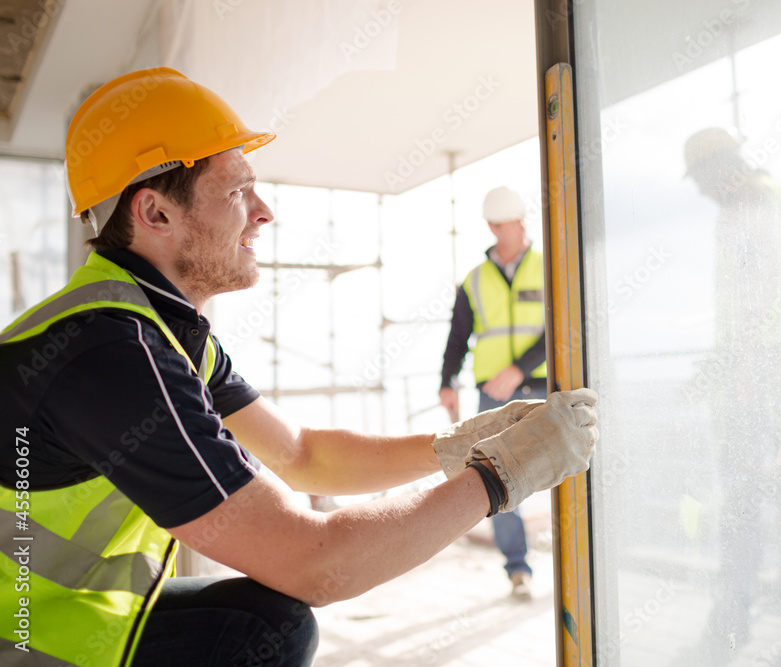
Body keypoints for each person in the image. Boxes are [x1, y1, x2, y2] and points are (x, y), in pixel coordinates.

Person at [0, 68, 599, 667]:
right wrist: (501, 476)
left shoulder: (155, 330)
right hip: (22, 640)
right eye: (237, 192)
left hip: (57, 618)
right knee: (268, 629)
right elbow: (317, 564)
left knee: (261, 621)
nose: (264, 213)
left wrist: (451, 447)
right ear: (155, 213)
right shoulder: (111, 354)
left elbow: (303, 455)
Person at [674, 128, 781, 666]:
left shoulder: (744, 209)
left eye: (701, 180)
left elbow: (757, 297)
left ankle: (731, 627)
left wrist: (732, 370)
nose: (701, 193)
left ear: (721, 168)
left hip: (759, 384)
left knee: (741, 508)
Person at [439, 186, 547, 599]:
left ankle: (581, 562)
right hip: (493, 396)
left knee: (564, 471)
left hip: (542, 387)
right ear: (491, 226)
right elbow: (457, 338)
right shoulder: (475, 279)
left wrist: (519, 368)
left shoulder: (549, 263)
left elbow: (562, 326)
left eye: (512, 224)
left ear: (524, 222)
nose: (506, 232)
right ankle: (518, 569)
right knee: (498, 483)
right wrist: (447, 382)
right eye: (498, 225)